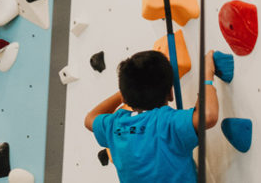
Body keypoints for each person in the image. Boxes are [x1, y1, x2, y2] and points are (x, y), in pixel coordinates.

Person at [84, 49, 220, 182]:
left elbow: (90, 119)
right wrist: (207, 75)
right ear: (171, 94)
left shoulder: (115, 126)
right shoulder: (166, 122)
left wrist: (127, 92)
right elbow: (208, 115)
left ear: (125, 98)